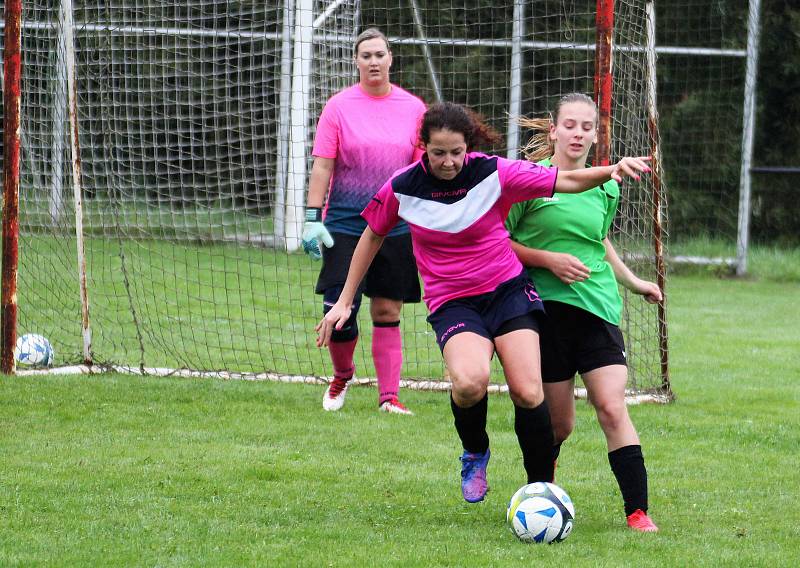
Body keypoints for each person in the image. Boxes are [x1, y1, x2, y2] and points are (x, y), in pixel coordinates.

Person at [316, 101, 651, 504]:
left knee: (529, 392)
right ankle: (475, 449)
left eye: (456, 152)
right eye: (438, 152)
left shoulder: (493, 171)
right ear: (423, 146)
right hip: (453, 302)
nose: (448, 162)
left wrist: (611, 171)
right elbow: (372, 235)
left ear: (468, 146)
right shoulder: (403, 186)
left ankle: (539, 492)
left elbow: (569, 181)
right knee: (470, 382)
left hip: (508, 291)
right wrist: (344, 301)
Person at [505, 93, 662, 532]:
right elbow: (499, 243)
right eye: (569, 125)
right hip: (544, 315)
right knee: (558, 425)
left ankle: (637, 512)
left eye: (586, 126)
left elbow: (598, 241)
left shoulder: (606, 184)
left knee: (611, 406)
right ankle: (538, 500)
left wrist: (633, 282)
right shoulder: (527, 182)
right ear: (553, 130)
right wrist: (546, 259)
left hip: (597, 309)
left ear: (596, 134)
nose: (578, 133)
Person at [302, 28, 426, 415]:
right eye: (365, 55)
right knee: (336, 309)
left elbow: (422, 167)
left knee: (387, 312)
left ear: (391, 58)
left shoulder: (413, 107)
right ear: (356, 62)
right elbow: (323, 164)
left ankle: (389, 397)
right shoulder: (338, 106)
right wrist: (311, 217)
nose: (373, 62)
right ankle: (343, 374)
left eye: (379, 54)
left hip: (396, 224)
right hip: (344, 222)